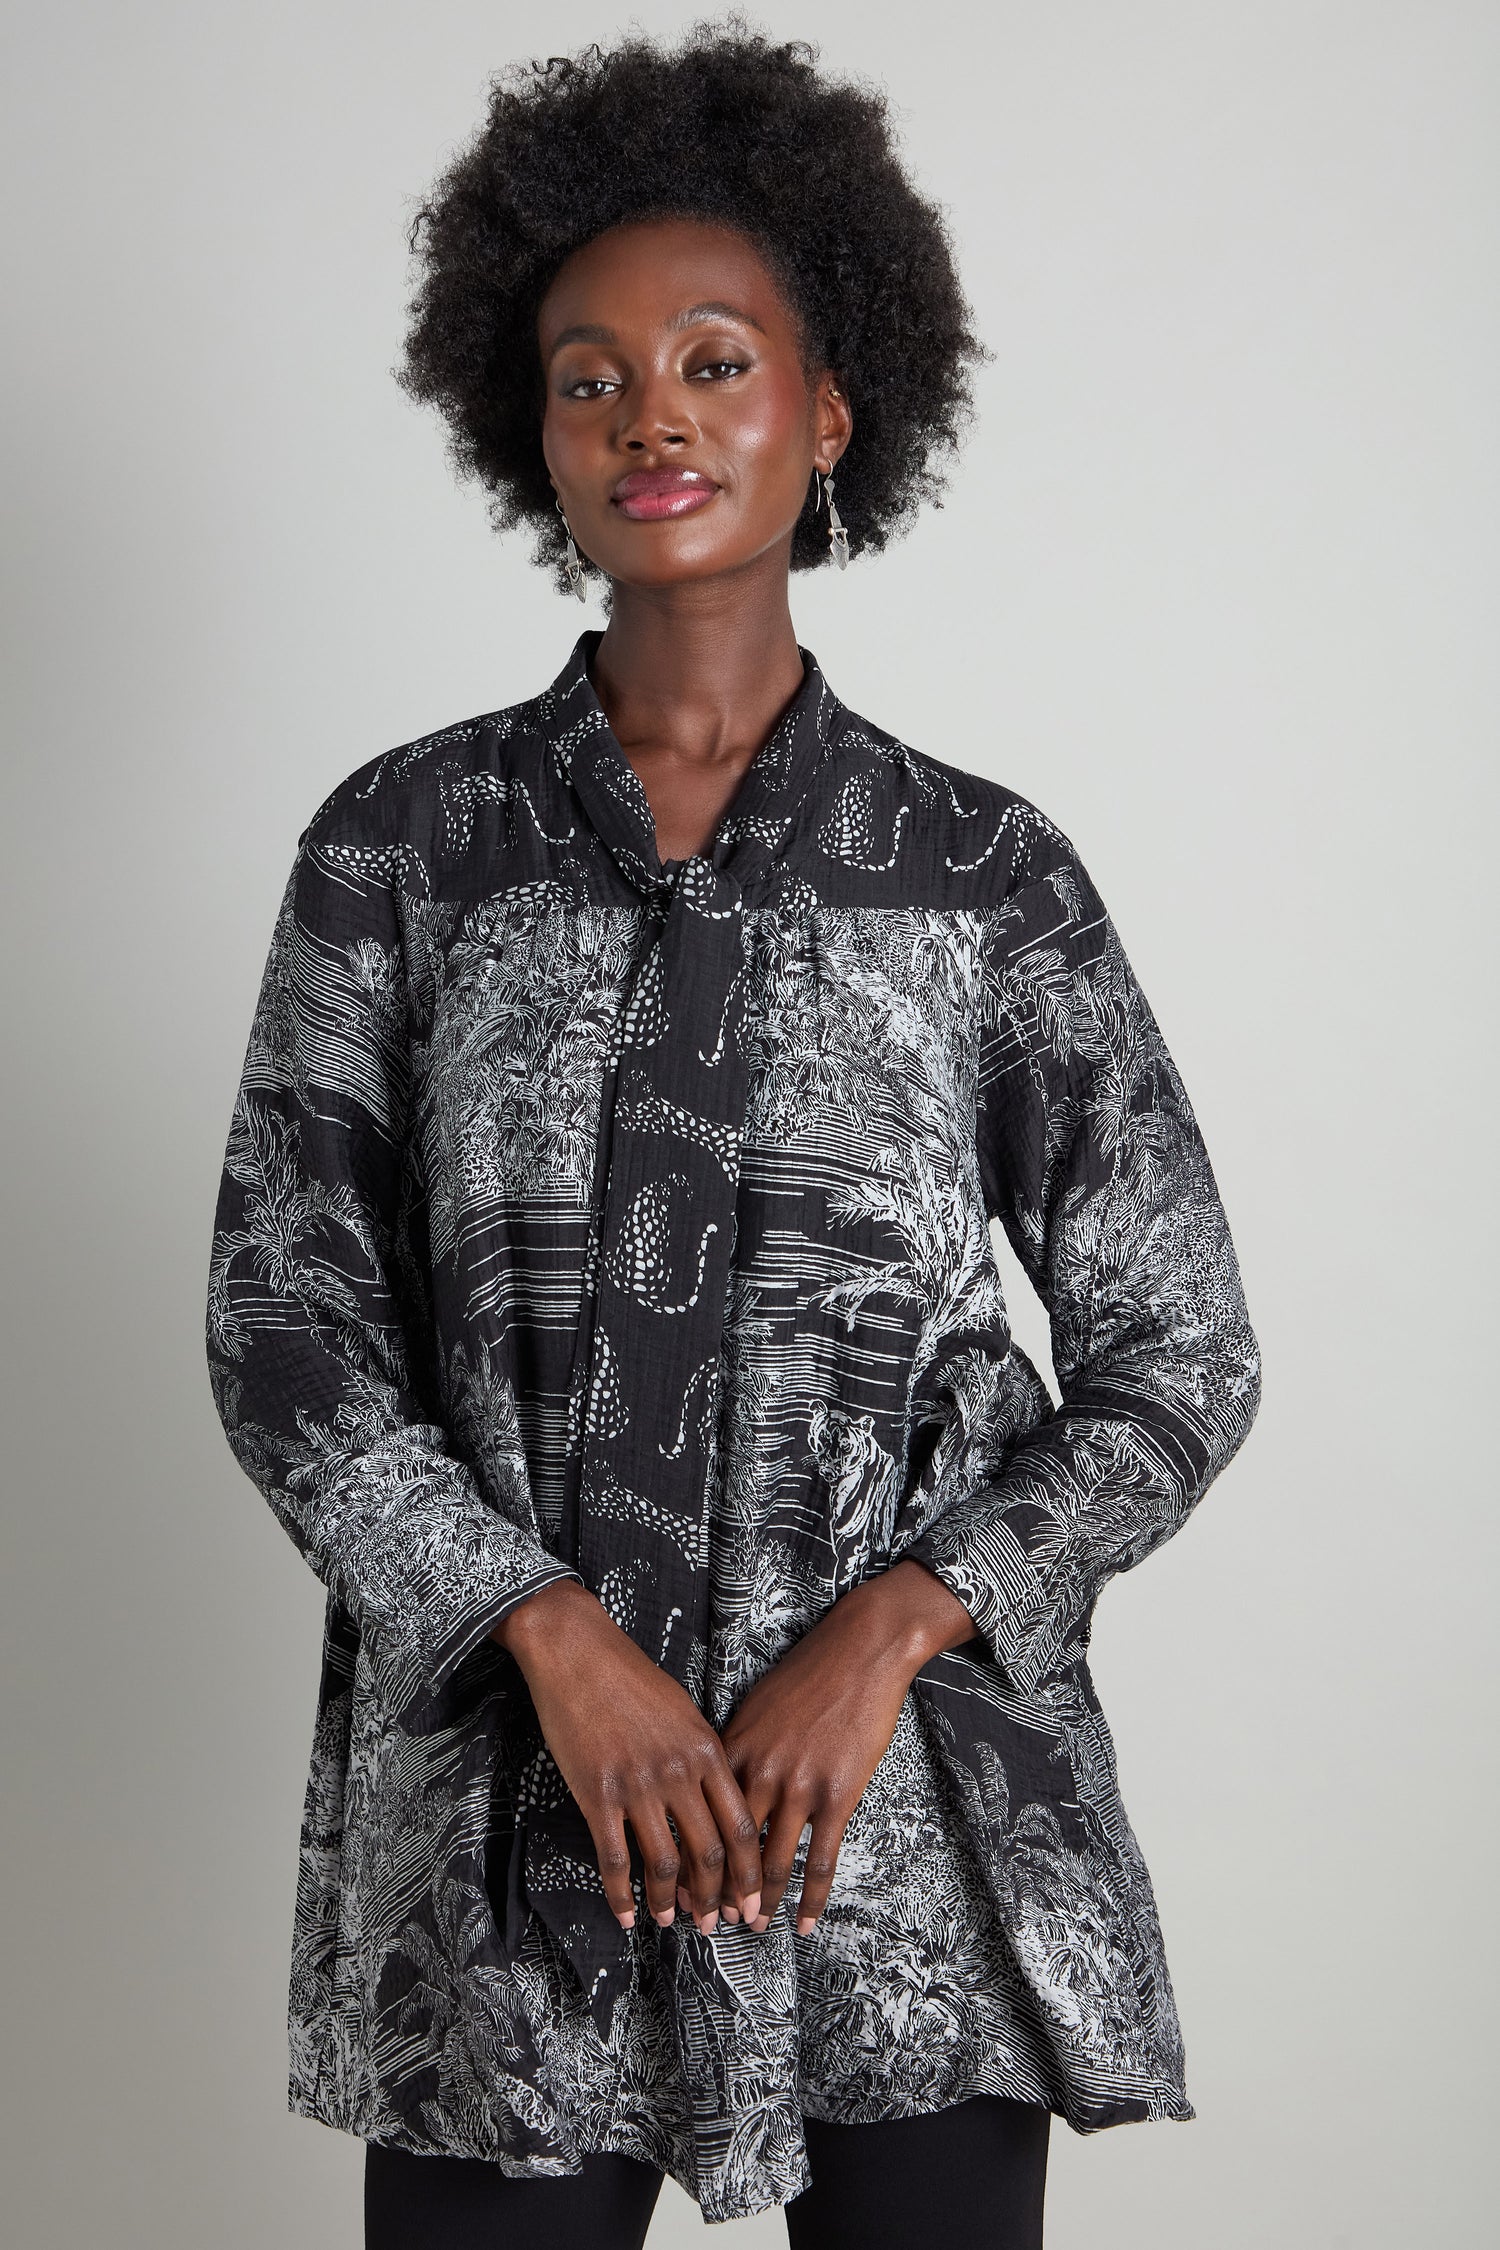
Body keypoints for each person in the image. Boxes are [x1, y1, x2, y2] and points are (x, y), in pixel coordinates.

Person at [205, 24, 1262, 2249]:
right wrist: (551, 1640)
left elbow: (1183, 1357)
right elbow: (283, 1330)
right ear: (537, 435)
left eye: (711, 360)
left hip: (903, 1845)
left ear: (830, 410)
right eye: (591, 379)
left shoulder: (984, 879)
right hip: (515, 1829)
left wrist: (891, 1629)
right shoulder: (403, 852)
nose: (651, 415)